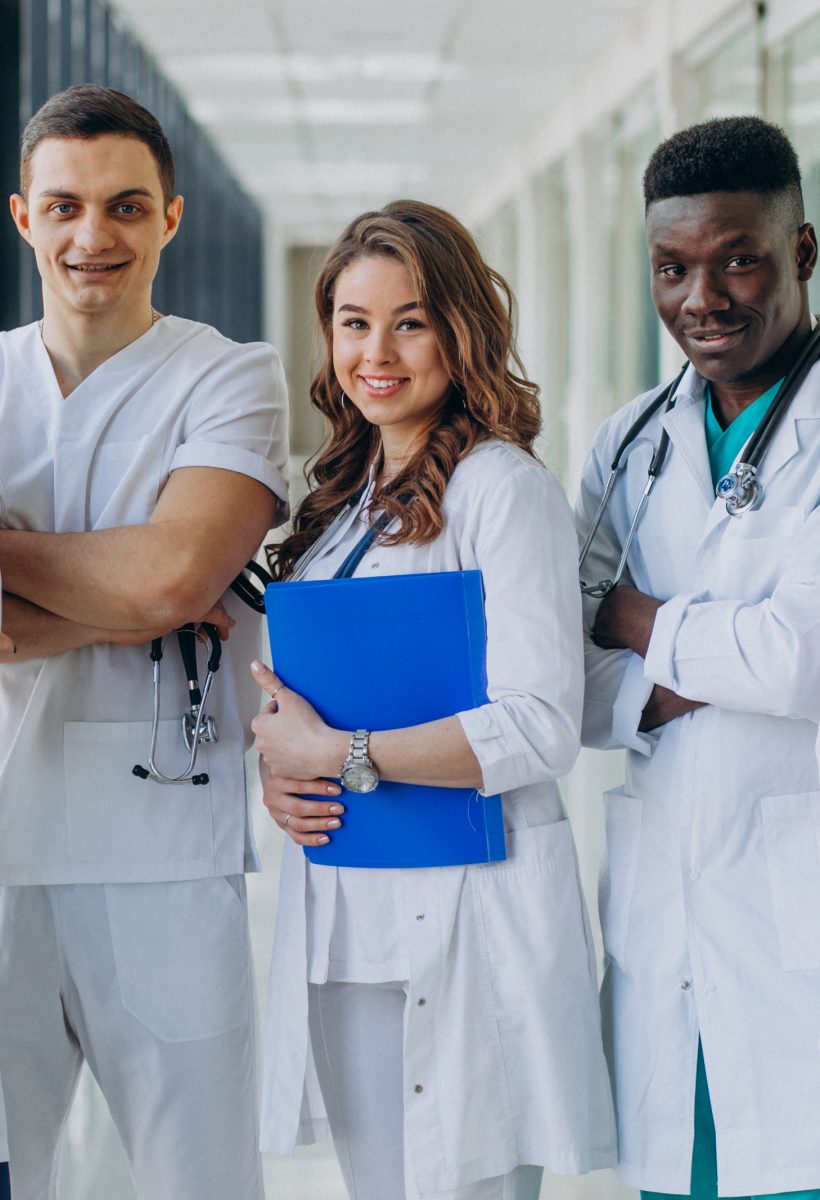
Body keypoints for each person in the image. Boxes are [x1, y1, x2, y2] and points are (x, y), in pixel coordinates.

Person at [251, 200, 616, 1200]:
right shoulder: (338, 503)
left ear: (462, 329)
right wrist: (284, 770)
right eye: (355, 321)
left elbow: (541, 725)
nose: (378, 351)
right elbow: (308, 710)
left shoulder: (504, 491)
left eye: (409, 321)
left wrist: (341, 756)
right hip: (348, 924)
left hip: (471, 919)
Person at [0, 84, 288, 1198]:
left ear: (170, 218)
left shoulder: (227, 374)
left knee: (196, 1180)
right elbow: (159, 585)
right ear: (23, 217)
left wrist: (161, 586)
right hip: (3, 852)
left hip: (162, 849)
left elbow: (175, 571)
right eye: (64, 207)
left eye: (126, 207)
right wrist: (127, 597)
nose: (93, 237)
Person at [576, 115, 820, 1200]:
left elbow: (793, 663)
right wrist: (711, 665)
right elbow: (560, 677)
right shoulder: (629, 442)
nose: (702, 299)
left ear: (802, 253)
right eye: (672, 268)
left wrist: (630, 617)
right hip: (665, 929)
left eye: (739, 259)